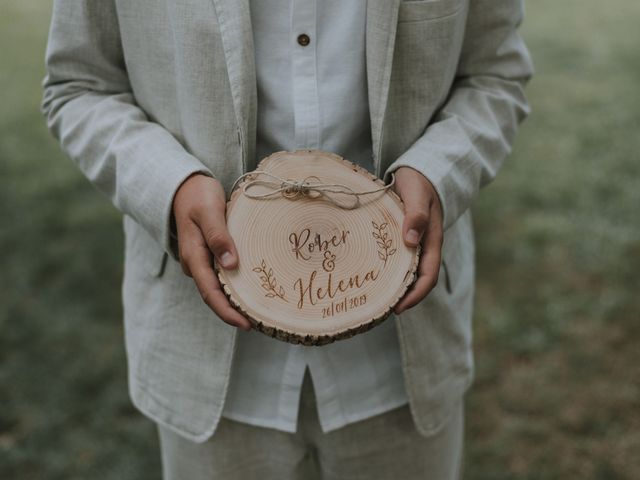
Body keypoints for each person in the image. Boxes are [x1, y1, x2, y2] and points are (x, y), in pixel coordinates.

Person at [42, 1, 533, 478]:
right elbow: (80, 85)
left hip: (402, 361)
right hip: (207, 363)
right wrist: (169, 186)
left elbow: (494, 75)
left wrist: (437, 171)